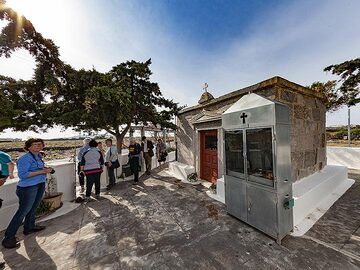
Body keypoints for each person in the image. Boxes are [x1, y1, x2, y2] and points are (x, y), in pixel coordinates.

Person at [2, 138, 53, 249]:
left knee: (33, 208)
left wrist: (45, 169)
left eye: (40, 144)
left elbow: (38, 168)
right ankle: (8, 238)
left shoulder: (38, 156)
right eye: (35, 145)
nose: (38, 146)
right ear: (28, 147)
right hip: (28, 188)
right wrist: (43, 171)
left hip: (39, 184)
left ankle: (29, 227)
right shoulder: (24, 159)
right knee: (22, 212)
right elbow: (23, 175)